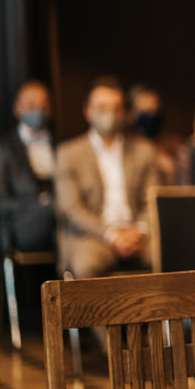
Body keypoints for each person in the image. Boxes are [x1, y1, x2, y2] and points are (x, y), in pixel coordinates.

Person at [55, 75, 161, 279]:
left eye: (116, 107)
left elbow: (153, 199)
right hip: (94, 236)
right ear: (88, 110)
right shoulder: (68, 154)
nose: (110, 114)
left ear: (124, 111)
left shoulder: (144, 151)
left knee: (168, 257)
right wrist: (112, 235)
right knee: (87, 265)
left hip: (139, 234)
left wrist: (138, 231)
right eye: (102, 107)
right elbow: (72, 209)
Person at [0, 79, 58, 255]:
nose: (39, 110)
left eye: (44, 105)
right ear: (17, 108)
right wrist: (37, 206)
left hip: (63, 220)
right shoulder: (3, 147)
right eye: (32, 105)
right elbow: (0, 201)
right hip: (23, 223)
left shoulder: (63, 144)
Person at [127, 82, 177, 184]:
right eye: (145, 110)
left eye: (154, 110)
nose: (151, 115)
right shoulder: (123, 146)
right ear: (131, 112)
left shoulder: (171, 146)